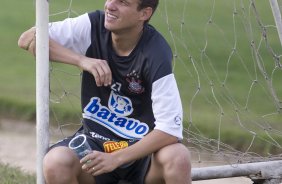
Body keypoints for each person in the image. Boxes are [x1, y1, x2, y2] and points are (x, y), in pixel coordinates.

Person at [18, 0, 191, 183]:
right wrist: (81, 60)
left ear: (144, 13)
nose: (110, 5)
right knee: (56, 161)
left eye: (122, 2)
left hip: (141, 152)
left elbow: (170, 130)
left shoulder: (156, 52)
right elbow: (28, 39)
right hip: (95, 146)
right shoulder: (94, 25)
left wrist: (116, 158)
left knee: (178, 156)